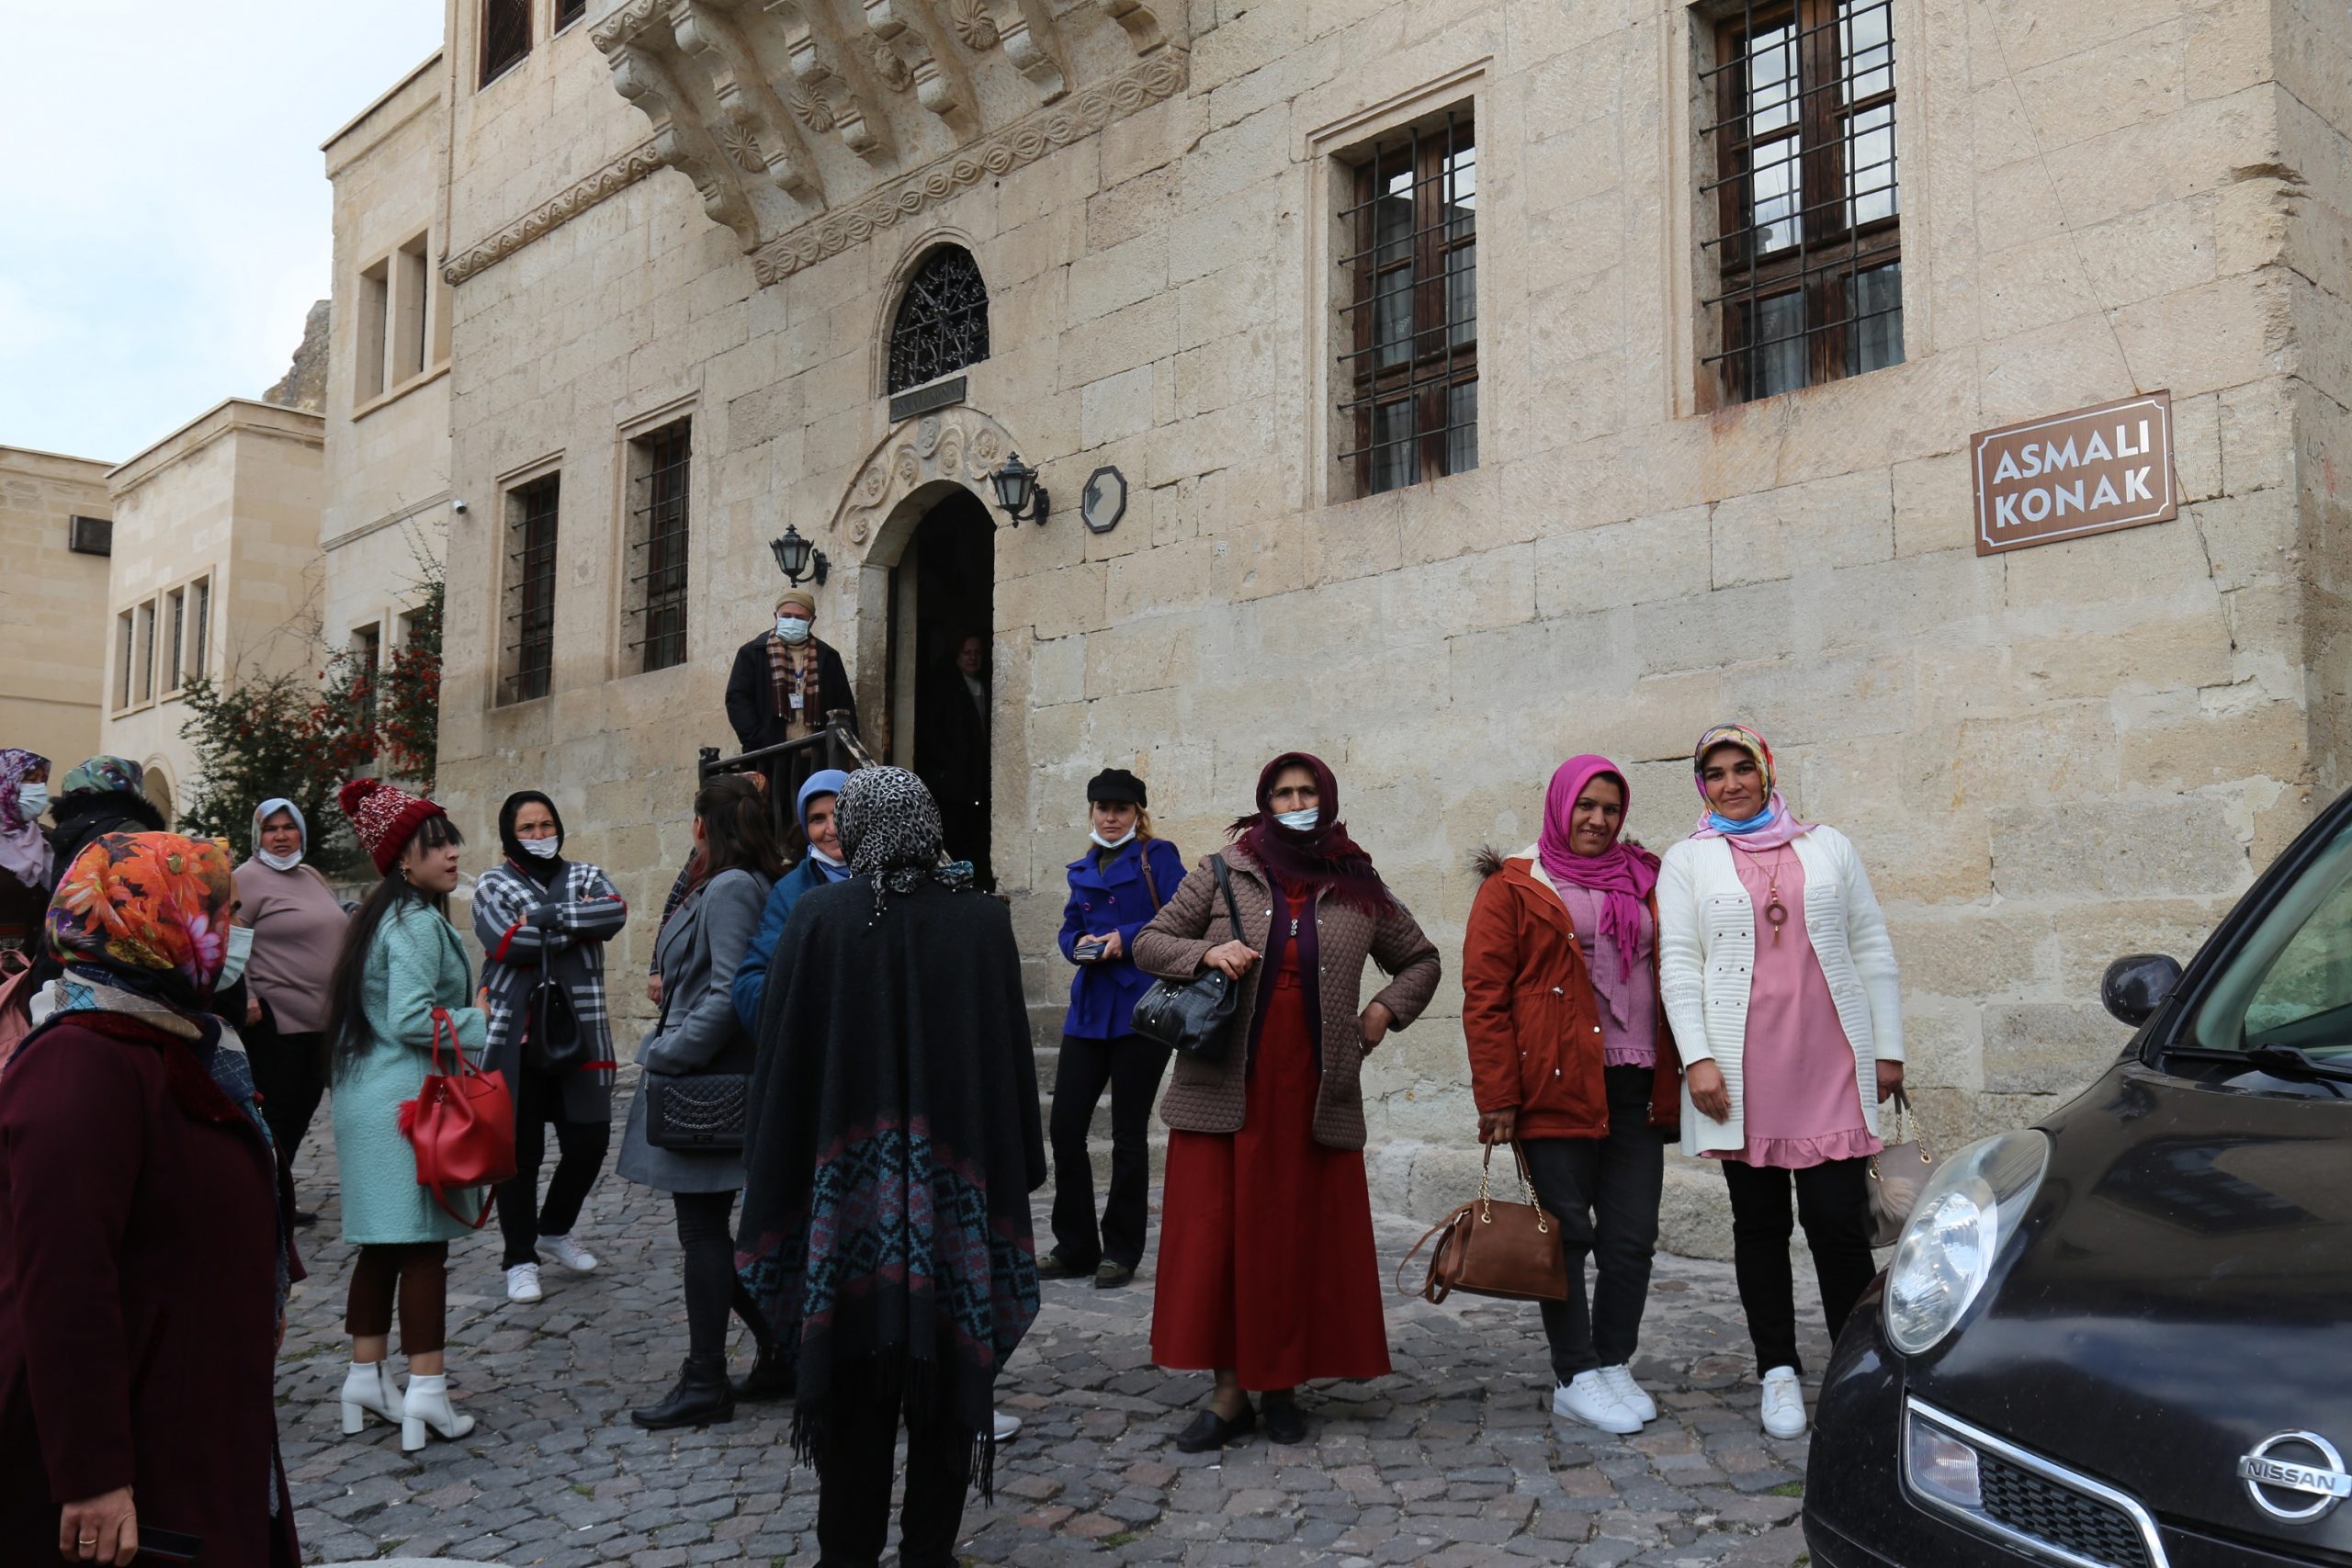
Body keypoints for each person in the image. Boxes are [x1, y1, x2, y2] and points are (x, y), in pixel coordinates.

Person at [739, 767, 1046, 1568]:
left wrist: (773, 1166)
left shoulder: (817, 918)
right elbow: (1013, 1061)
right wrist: (1021, 1161)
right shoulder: (980, 922)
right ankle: (928, 1553)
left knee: (850, 1376)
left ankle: (846, 1553)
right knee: (946, 1377)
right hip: (955, 1196)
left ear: (862, 825)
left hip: (846, 1200)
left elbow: (778, 1062)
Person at [0, 832, 302, 1566]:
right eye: (217, 910)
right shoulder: (82, 1061)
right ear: (156, 918)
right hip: (133, 1445)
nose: (231, 930)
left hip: (192, 1408)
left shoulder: (173, 1039)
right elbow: (65, 1282)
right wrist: (95, 1475)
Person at [1135, 751, 1442, 1451]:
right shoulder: (1223, 869)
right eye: (1283, 792)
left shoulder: (1358, 884)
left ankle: (1281, 1386)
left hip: (1312, 1092)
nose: (1296, 802)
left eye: (1307, 792)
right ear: (1264, 801)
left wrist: (1381, 1014)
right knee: (1222, 1241)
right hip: (1224, 1088)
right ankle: (1227, 1391)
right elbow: (1150, 941)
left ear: (1326, 799)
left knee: (1292, 1238)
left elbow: (1421, 958)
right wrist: (1206, 956)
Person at [1657, 724, 1903, 1440]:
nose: (1731, 783)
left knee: (1837, 1223)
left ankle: (1859, 1370)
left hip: (1829, 1058)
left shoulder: (1827, 845)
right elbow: (1679, 963)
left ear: (1766, 771)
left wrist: (1887, 1047)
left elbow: (1870, 942)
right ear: (1701, 785)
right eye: (1715, 773)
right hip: (1740, 1070)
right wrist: (1697, 1057)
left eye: (1743, 768)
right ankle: (1777, 1371)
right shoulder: (1688, 859)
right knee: (1759, 1225)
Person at [1463, 755, 1682, 1436]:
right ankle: (1575, 1370)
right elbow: (1485, 996)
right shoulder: (1514, 886)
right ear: (1561, 806)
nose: (1598, 819)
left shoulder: (1647, 878)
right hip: (1552, 1082)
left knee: (1632, 1237)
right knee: (1565, 1236)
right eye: (1586, 805)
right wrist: (1497, 1094)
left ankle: (1613, 1360)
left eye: (1611, 808)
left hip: (1636, 1081)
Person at [325, 777, 492, 1453]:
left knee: (383, 1246)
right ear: (403, 859)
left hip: (369, 1099)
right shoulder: (418, 923)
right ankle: (427, 1391)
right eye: (436, 843)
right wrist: (484, 1017)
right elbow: (413, 1017)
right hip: (409, 1103)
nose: (452, 852)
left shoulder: (379, 917)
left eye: (450, 838)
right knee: (423, 1248)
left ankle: (365, 1375)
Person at [616, 773, 784, 1428]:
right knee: (707, 1234)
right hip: (708, 1077)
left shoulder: (735, 888)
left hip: (713, 1085)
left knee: (705, 1234)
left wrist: (667, 1052)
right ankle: (779, 1347)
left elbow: (729, 994)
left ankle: (706, 1377)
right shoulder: (723, 884)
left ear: (700, 827)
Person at [473, 792, 628, 1304]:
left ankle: (555, 1228)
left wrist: (541, 920)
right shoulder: (493, 882)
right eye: (528, 828)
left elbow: (613, 912)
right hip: (515, 1039)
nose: (540, 836)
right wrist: (571, 925)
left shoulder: (586, 873)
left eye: (546, 825)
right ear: (509, 834)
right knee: (520, 1153)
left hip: (579, 1032)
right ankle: (519, 1258)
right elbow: (505, 942)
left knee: (590, 1140)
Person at [1042, 767, 1185, 1289]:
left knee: (1127, 1134)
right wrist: (1074, 946)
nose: (1109, 817)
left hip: (1140, 1010)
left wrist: (1124, 938)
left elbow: (1184, 916)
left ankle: (1120, 1251)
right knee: (1064, 1128)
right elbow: (1069, 926)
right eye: (1102, 808)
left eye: (1120, 809)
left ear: (1137, 815)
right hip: (1089, 1011)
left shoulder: (1158, 857)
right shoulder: (1081, 867)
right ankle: (1076, 1244)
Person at [232, 798, 349, 1218]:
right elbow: (231, 942)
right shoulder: (245, 879)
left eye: (289, 827)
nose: (281, 836)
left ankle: (279, 1190)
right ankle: (260, 1199)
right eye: (271, 829)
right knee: (275, 1111)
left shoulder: (311, 875)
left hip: (321, 1018)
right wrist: (244, 995)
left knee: (304, 1106)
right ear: (257, 836)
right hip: (274, 1016)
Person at [731, 768, 852, 1032]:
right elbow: (751, 984)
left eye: (840, 813)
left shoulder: (892, 878)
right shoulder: (792, 891)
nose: (832, 829)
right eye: (817, 819)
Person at [724, 587, 858, 792]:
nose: (793, 621)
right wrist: (759, 739)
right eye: (787, 616)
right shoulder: (752, 653)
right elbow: (737, 699)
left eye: (799, 617)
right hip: (770, 757)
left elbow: (844, 704)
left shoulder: (828, 657)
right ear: (775, 616)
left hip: (816, 761)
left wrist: (848, 754)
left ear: (812, 620)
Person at [917, 632, 990, 879]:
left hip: (978, 776)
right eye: (967, 652)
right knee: (953, 834)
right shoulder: (943, 687)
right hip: (951, 777)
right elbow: (932, 733)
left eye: (977, 653)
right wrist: (947, 768)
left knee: (976, 835)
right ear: (957, 655)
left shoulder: (985, 684)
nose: (973, 658)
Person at [0, 750, 50, 952]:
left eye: (41, 780)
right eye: (30, 780)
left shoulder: (48, 839)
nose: (38, 788)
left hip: (37, 964)